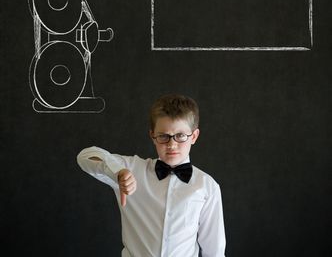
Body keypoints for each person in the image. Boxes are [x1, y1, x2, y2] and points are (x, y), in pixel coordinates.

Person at [77, 93, 226, 257]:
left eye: (180, 136)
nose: (172, 145)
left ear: (194, 136)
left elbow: (214, 250)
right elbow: (85, 157)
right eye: (163, 136)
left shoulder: (207, 186)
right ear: (152, 136)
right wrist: (117, 172)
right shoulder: (132, 169)